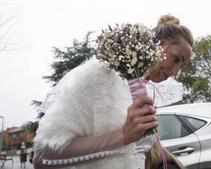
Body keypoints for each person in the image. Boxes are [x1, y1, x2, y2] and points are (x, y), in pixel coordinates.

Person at [33, 14, 193, 169]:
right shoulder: (98, 75)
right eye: (176, 59)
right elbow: (42, 156)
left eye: (182, 64)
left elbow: (149, 151)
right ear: (156, 44)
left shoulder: (142, 91)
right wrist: (123, 135)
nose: (175, 71)